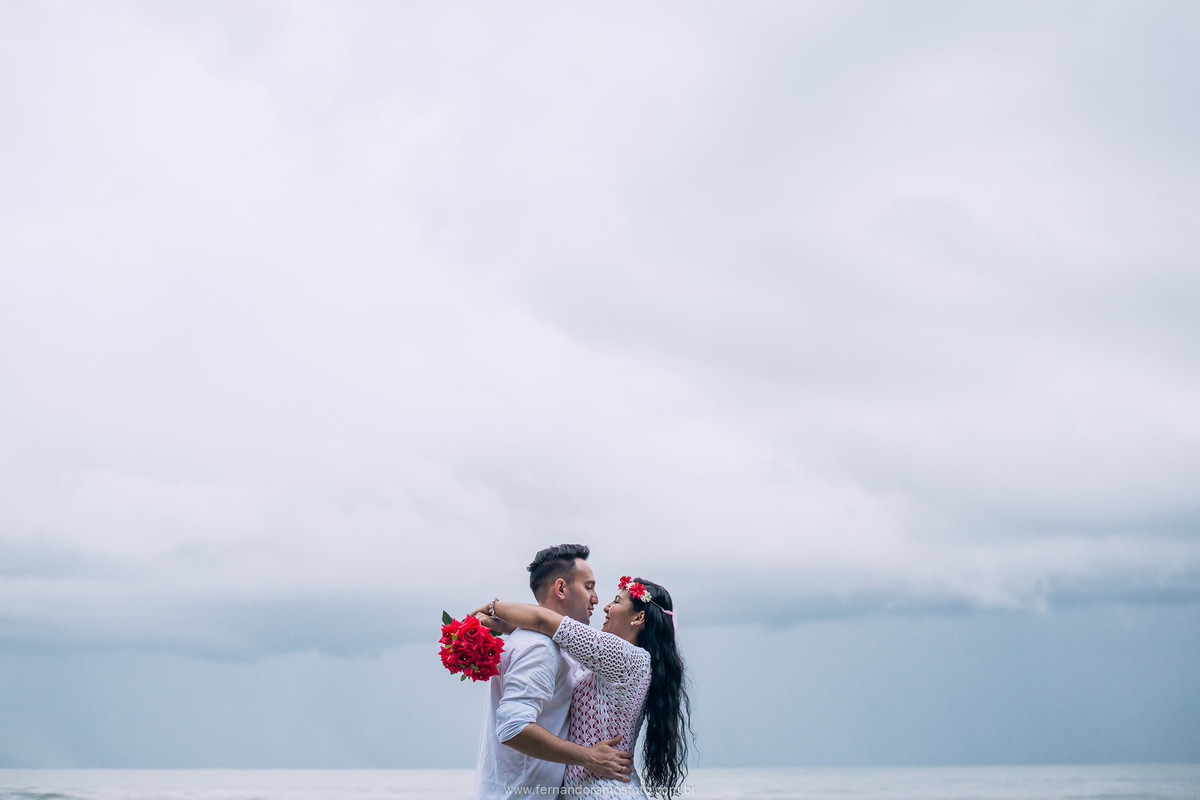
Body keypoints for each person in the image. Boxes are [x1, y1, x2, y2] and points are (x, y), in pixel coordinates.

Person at [477, 575, 692, 799]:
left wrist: (491, 607)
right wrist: (506, 627)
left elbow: (544, 621)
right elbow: (551, 635)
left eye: (617, 602)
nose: (606, 607)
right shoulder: (609, 663)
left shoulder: (628, 657)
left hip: (607, 792)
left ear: (638, 618)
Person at [474, 544, 634, 800]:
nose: (596, 599)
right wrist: (588, 756)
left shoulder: (541, 641)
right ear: (560, 588)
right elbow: (513, 727)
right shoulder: (540, 648)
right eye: (589, 587)